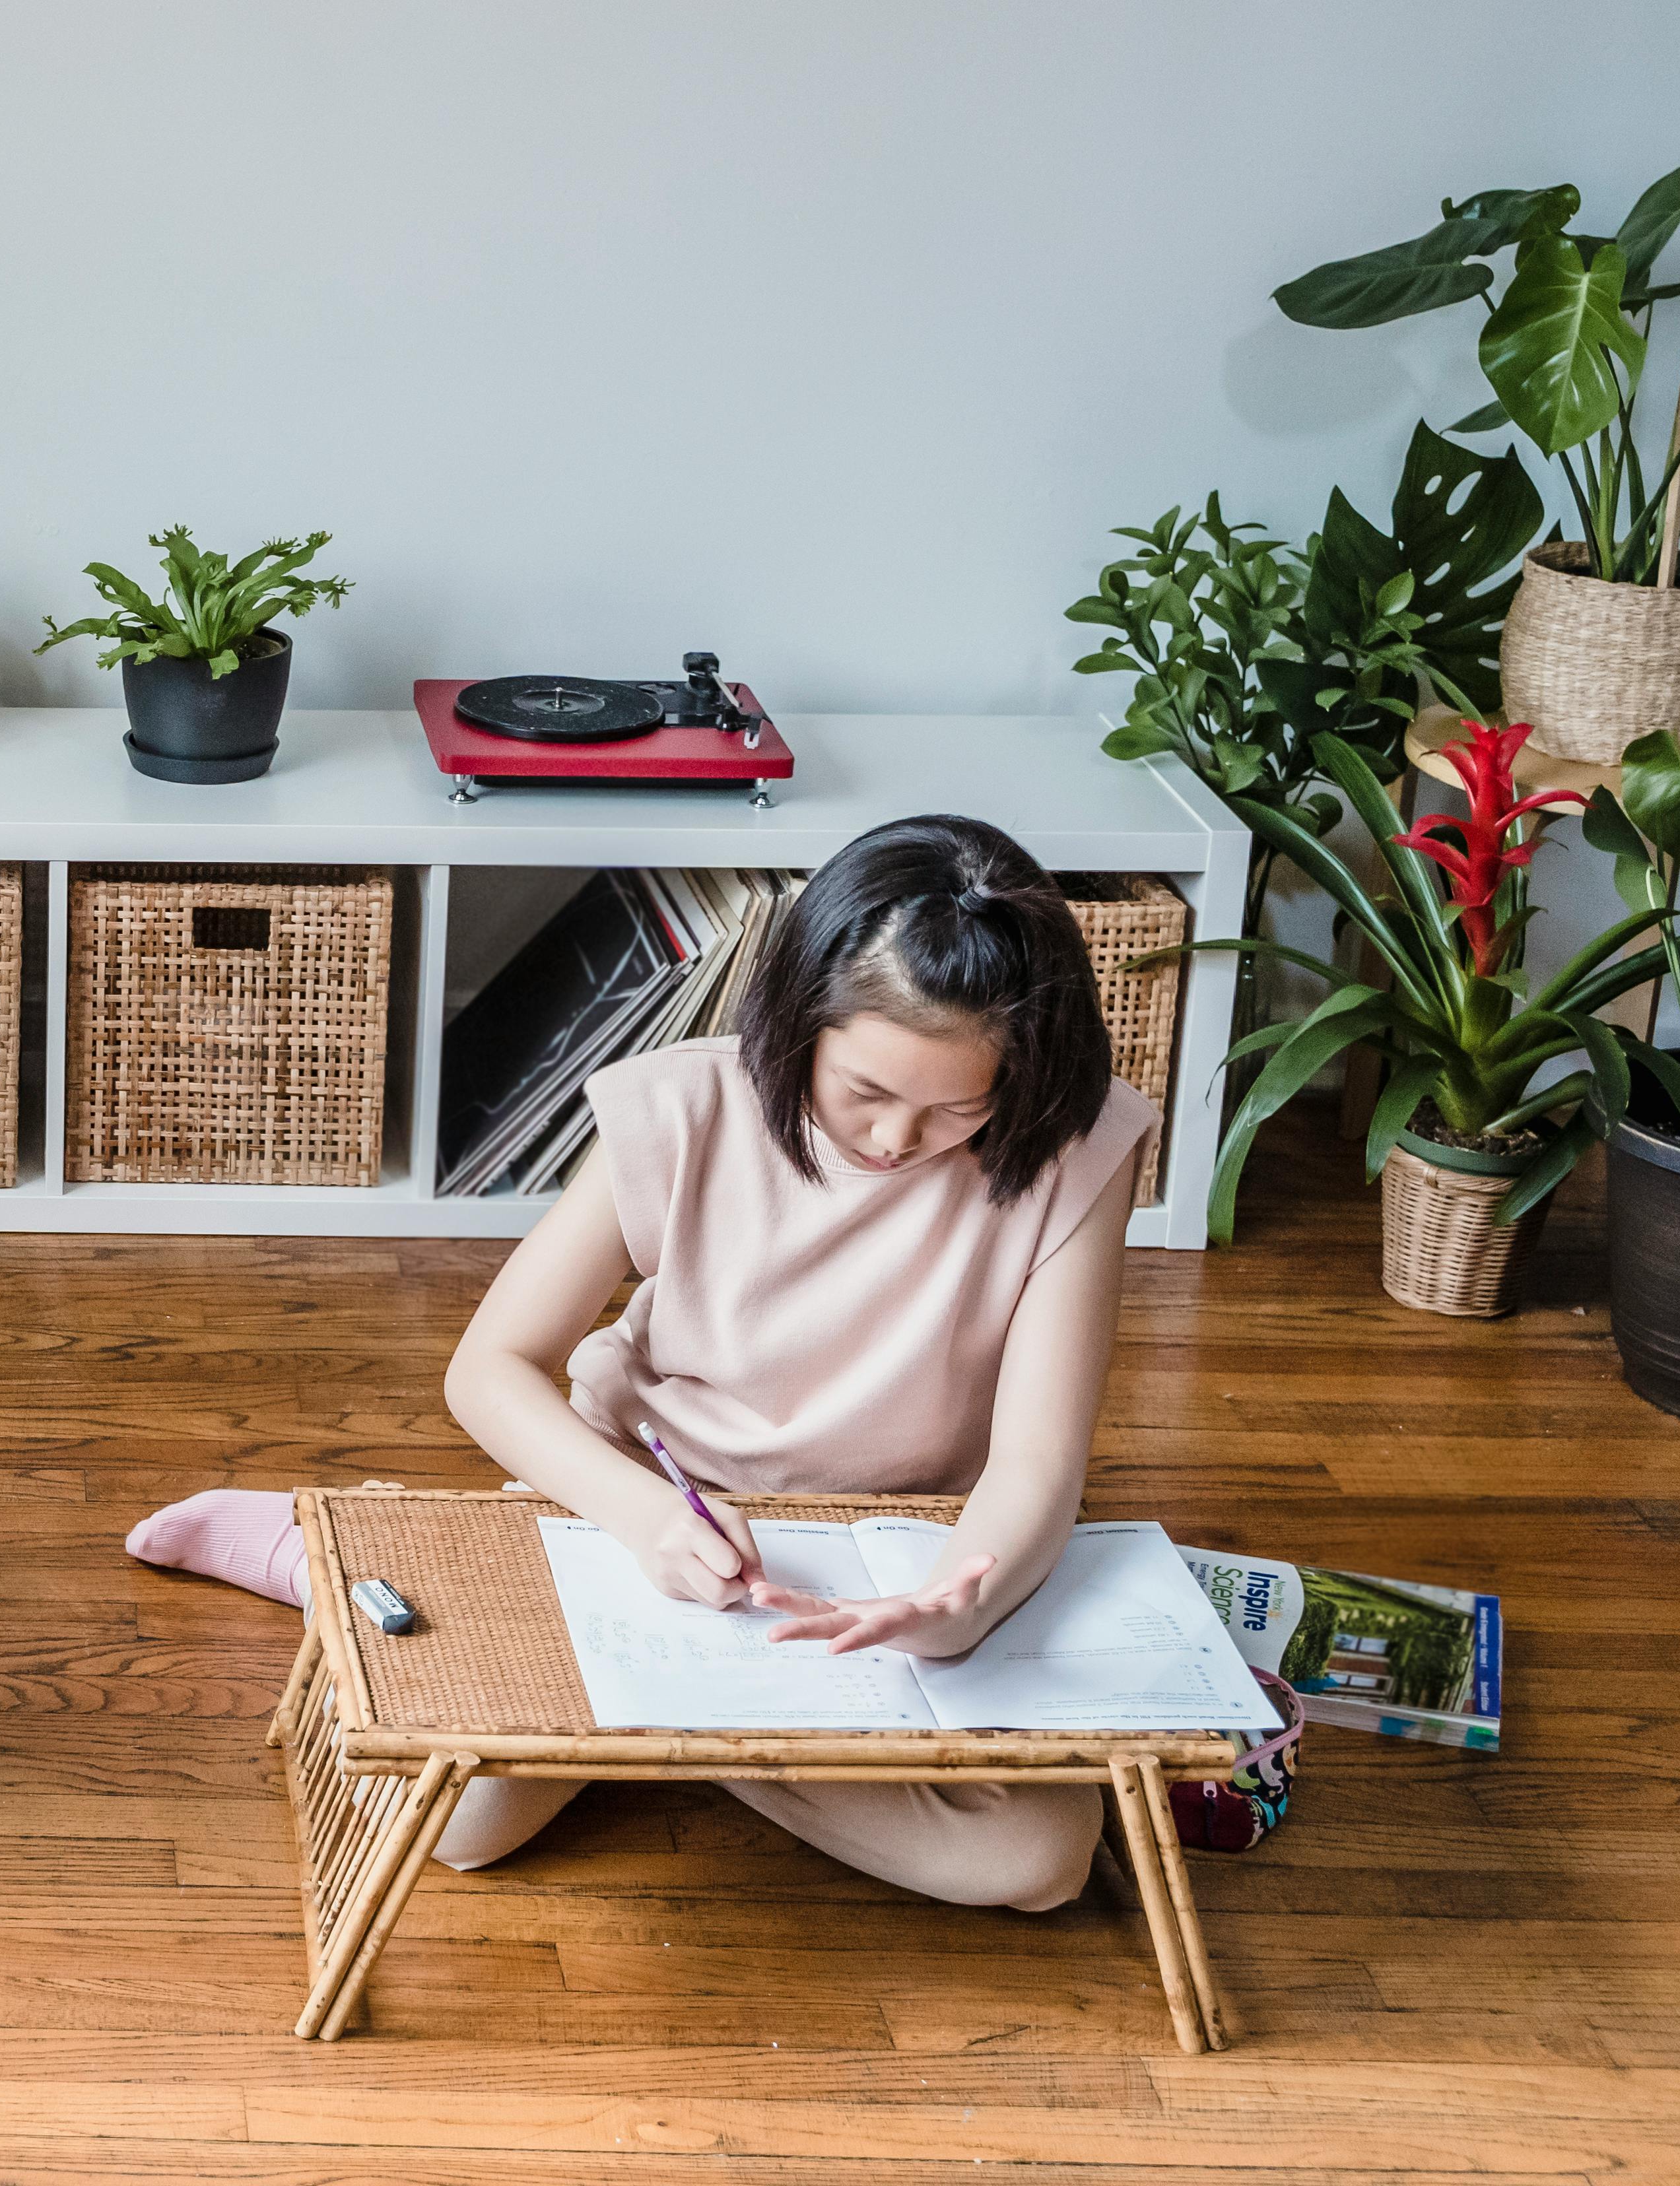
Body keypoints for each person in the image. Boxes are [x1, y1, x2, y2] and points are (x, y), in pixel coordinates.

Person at [130, 815, 1151, 1910]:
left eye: (957, 1108)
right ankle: (337, 1552)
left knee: (1036, 1863)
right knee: (465, 1827)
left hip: (879, 1569)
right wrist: (649, 1521)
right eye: (863, 1092)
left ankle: (661, 1720)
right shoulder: (687, 1105)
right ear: (798, 1016)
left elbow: (1041, 1464)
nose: (897, 1141)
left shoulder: (1075, 1149)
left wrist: (961, 1600)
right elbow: (492, 1368)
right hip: (650, 1514)